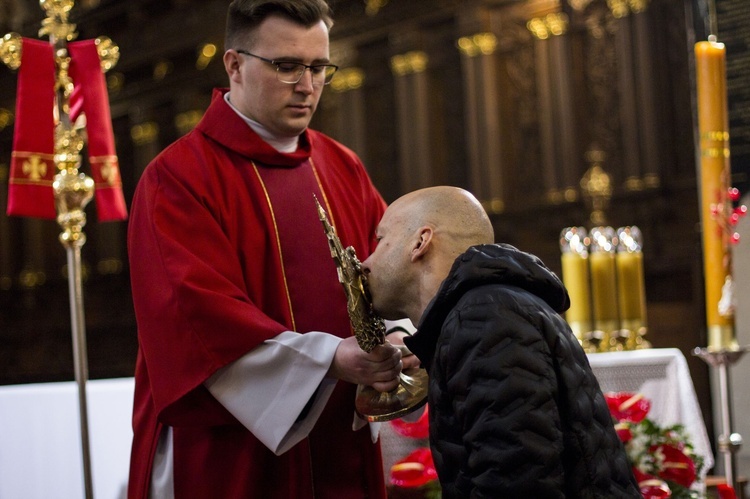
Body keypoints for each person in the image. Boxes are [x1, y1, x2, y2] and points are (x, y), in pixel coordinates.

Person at [126, 1, 417, 497]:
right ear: (234, 64)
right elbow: (198, 323)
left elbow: (392, 275)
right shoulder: (177, 180)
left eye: (319, 67)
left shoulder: (342, 166)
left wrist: (394, 340)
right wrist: (331, 360)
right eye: (286, 66)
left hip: (340, 441)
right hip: (230, 455)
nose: (307, 86)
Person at [361, 186, 641, 498]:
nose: (366, 262)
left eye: (380, 240)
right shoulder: (489, 307)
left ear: (420, 242)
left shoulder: (485, 317)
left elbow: (516, 485)